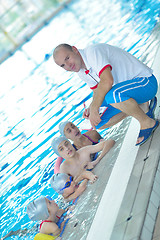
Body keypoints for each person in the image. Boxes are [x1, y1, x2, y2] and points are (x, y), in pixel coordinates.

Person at [53, 43, 159, 146]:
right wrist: (91, 109)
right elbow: (97, 91)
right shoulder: (81, 71)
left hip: (146, 83)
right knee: (97, 122)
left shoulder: (92, 52)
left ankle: (147, 122)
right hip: (129, 92)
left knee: (112, 96)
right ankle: (141, 107)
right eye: (63, 65)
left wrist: (95, 107)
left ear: (74, 49)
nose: (68, 65)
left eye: (67, 58)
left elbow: (108, 81)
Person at [51, 136, 115, 183]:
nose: (66, 148)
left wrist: (97, 160)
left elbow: (110, 142)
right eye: (61, 149)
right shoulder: (64, 168)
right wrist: (82, 172)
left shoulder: (84, 151)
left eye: (66, 144)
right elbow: (68, 189)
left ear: (71, 143)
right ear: (59, 155)